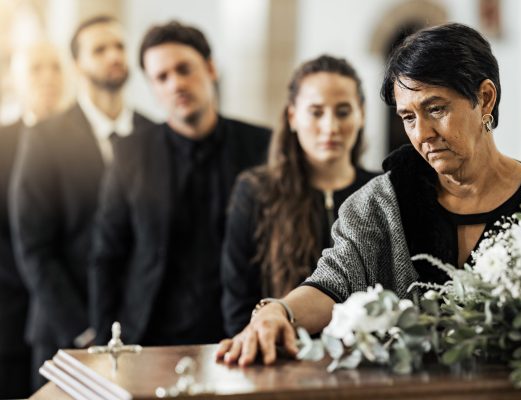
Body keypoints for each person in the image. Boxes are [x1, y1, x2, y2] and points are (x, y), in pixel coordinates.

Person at [216, 22, 521, 366]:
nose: (422, 132)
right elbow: (333, 283)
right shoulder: (380, 202)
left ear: (485, 99)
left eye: (435, 109)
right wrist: (279, 312)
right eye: (408, 117)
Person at [88, 21, 270, 348]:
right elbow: (108, 254)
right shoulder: (130, 152)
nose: (176, 84)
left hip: (239, 333)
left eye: (184, 69)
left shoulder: (262, 146)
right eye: (162, 77)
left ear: (211, 68)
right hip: (148, 334)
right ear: (152, 87)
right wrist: (104, 341)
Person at [9, 16, 153, 389]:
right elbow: (34, 245)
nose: (113, 56)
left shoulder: (152, 134)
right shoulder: (46, 137)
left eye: (119, 47)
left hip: (143, 332)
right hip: (64, 331)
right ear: (78, 65)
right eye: (99, 49)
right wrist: (83, 328)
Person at [221, 55, 378, 336]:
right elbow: (238, 301)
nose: (330, 127)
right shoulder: (257, 192)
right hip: (280, 357)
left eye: (343, 111)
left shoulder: (379, 193)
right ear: (293, 116)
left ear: (361, 114)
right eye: (316, 112)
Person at [0, 41, 65, 399]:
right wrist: (38, 278)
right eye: (36, 69)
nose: (48, 78)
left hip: (67, 316)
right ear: (15, 78)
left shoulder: (84, 144)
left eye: (55, 68)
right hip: (10, 308)